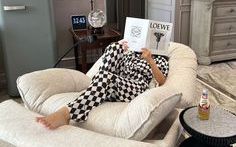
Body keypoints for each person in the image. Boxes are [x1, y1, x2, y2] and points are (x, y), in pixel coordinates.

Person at [36, 39, 169, 129]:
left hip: (136, 87)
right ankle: (96, 89)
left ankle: (66, 114)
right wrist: (118, 46)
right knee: (114, 46)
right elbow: (112, 63)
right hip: (115, 81)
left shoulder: (160, 59)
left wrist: (150, 60)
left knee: (106, 77)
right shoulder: (131, 54)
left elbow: (161, 80)